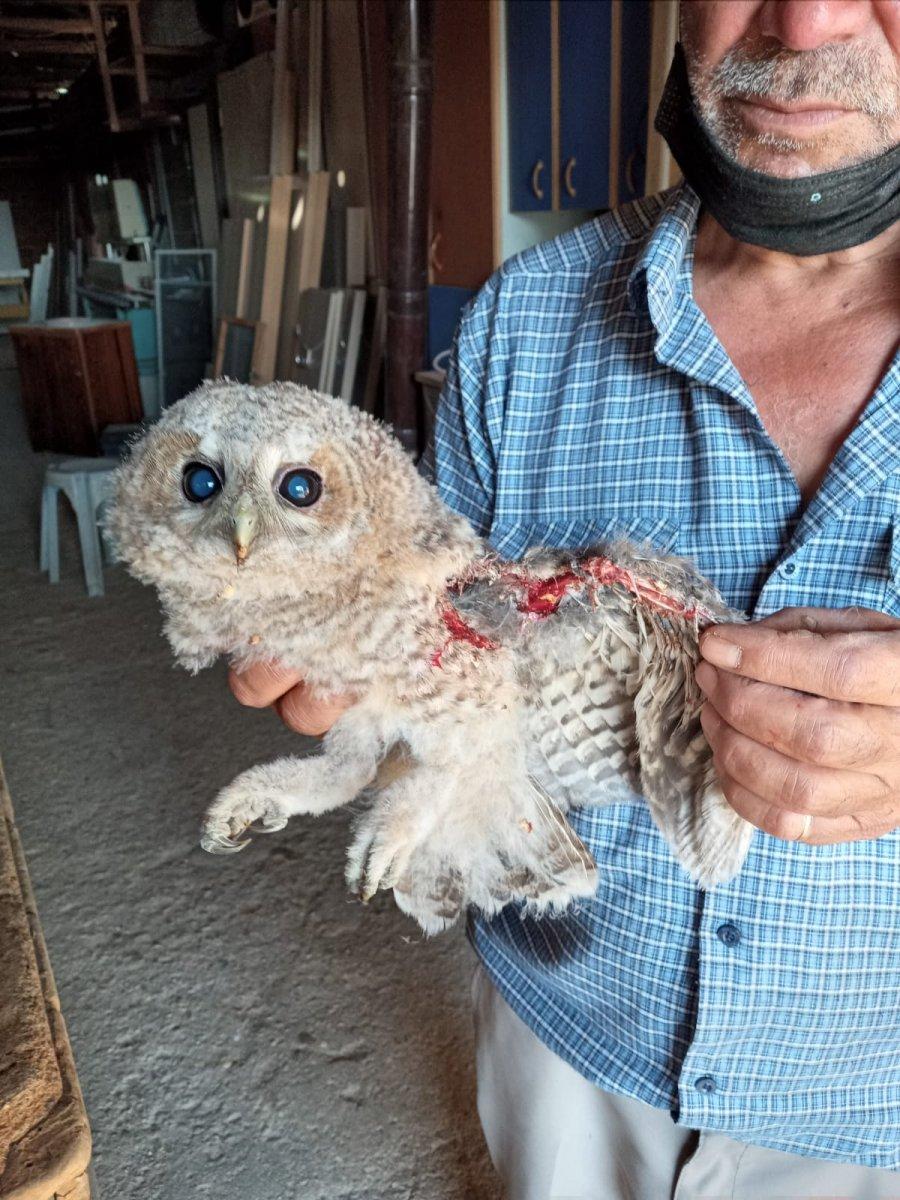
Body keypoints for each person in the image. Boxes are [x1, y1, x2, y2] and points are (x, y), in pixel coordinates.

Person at [230, 1, 900, 1195]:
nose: (803, 24)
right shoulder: (522, 325)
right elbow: (447, 690)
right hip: (567, 1039)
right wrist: (383, 691)